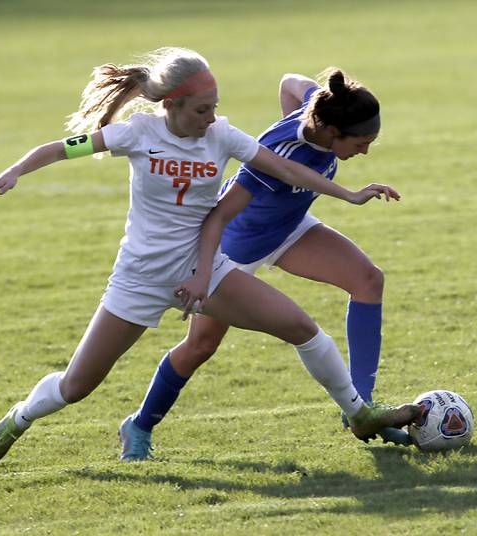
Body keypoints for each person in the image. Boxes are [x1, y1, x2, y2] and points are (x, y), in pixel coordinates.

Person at [0, 47, 422, 468]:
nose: (211, 118)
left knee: (303, 328)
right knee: (76, 386)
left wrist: (347, 194)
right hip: (140, 276)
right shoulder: (134, 133)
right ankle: (22, 416)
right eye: (202, 110)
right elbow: (60, 148)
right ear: (170, 104)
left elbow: (285, 167)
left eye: (215, 106)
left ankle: (359, 412)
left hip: (202, 265)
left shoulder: (222, 135)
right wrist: (11, 172)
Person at [117, 67, 413, 462]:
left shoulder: (321, 107)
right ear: (330, 133)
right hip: (236, 248)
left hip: (289, 229)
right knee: (200, 346)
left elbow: (290, 81)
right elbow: (220, 216)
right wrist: (206, 272)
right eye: (361, 143)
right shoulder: (277, 156)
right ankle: (139, 425)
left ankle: (361, 407)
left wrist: (288, 112)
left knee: (367, 280)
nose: (365, 152)